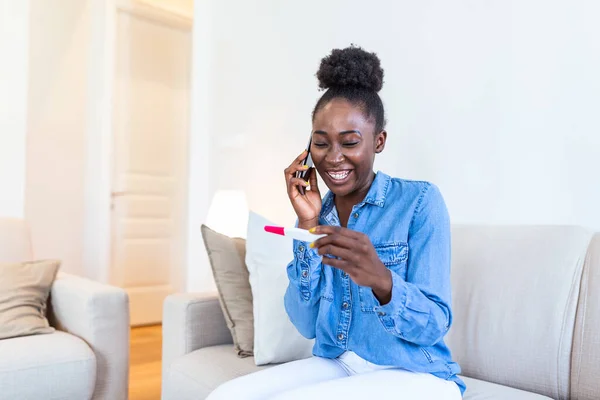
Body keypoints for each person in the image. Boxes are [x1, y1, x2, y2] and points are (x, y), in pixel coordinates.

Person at [207, 45, 465, 399]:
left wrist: (382, 280)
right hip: (342, 362)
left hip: (417, 372)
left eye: (350, 142)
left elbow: (434, 325)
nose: (334, 157)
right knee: (225, 396)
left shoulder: (420, 202)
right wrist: (308, 221)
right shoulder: (321, 215)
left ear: (379, 141)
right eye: (321, 143)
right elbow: (304, 323)